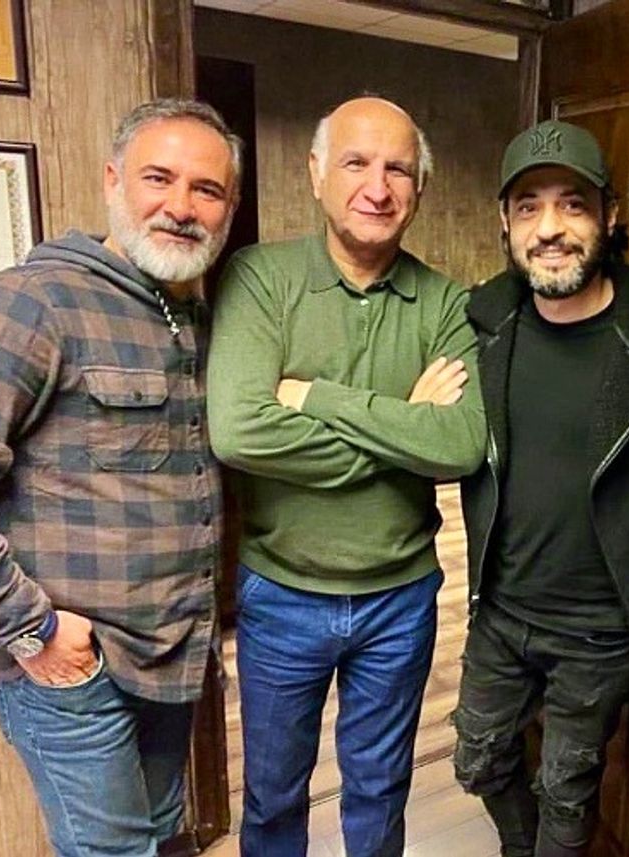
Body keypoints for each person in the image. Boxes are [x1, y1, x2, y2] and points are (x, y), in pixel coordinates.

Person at [0, 98, 241, 856]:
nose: (182, 206)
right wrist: (35, 629)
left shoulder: (197, 318)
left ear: (229, 207)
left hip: (172, 655)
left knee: (162, 835)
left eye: (207, 189)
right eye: (158, 178)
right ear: (112, 180)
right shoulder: (25, 303)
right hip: (73, 667)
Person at [207, 96, 485, 857]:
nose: (378, 187)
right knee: (272, 794)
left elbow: (461, 445)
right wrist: (404, 424)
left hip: (400, 598)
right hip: (282, 592)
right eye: (357, 163)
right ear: (316, 173)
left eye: (399, 169)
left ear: (419, 187)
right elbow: (240, 431)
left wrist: (316, 399)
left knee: (379, 789)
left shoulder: (446, 302)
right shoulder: (260, 277)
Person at [453, 120, 629, 857]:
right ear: (506, 222)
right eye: (529, 207)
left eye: (572, 204)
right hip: (500, 610)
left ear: (609, 216)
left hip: (598, 629)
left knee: (567, 791)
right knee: (478, 759)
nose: (549, 228)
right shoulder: (483, 324)